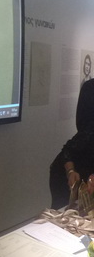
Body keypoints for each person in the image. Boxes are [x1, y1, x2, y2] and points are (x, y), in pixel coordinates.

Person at [50, 78, 94, 209]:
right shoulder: (90, 131)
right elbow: (67, 151)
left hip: (87, 174)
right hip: (67, 174)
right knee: (65, 213)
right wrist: (70, 171)